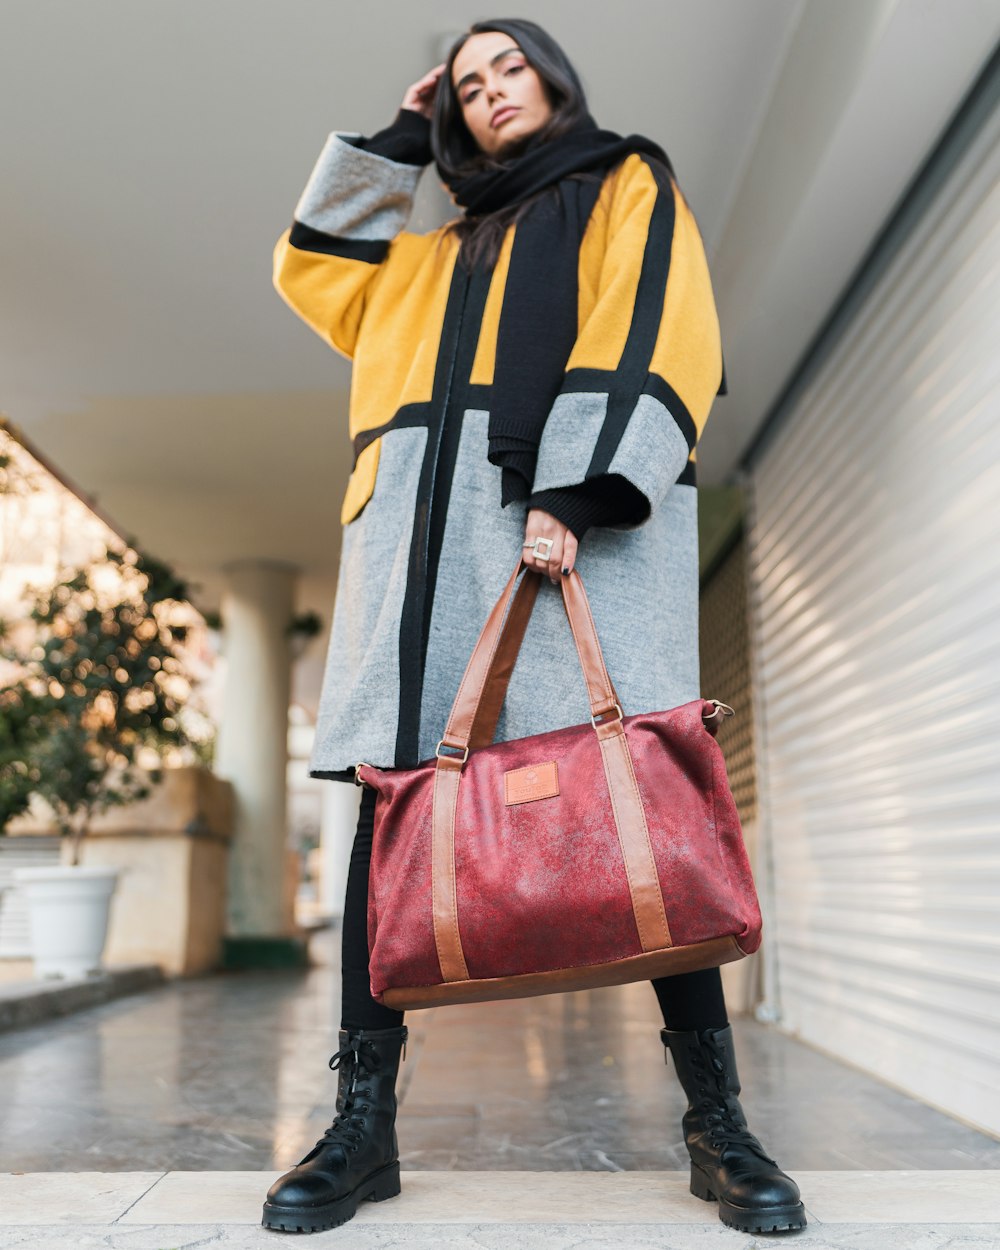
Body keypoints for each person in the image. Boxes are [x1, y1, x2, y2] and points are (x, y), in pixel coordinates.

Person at [262, 17, 806, 1238]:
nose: (491, 89)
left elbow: (659, 318)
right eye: (466, 83)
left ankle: (718, 1124)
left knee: (637, 807)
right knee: (391, 802)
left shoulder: (625, 183)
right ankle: (362, 1128)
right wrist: (400, 144)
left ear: (554, 76)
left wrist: (573, 489)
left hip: (568, 525)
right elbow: (317, 273)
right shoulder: (427, 252)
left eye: (509, 64)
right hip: (417, 549)